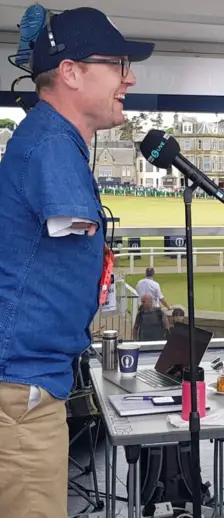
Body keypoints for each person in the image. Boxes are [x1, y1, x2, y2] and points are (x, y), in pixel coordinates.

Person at [0, 8, 154, 518]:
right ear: (70, 72)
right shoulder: (51, 145)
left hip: (28, 380)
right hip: (21, 390)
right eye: (118, 64)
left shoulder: (52, 141)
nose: (129, 77)